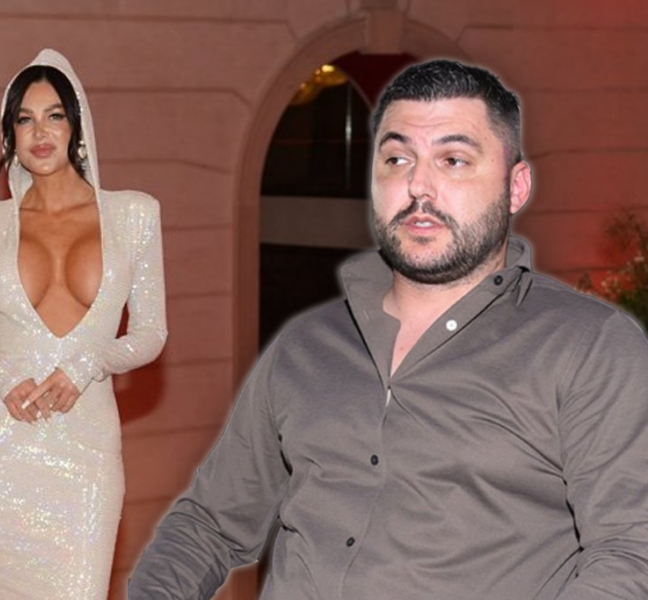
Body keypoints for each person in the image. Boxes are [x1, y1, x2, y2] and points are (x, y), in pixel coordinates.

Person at [128, 60, 648, 599]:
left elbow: (631, 555)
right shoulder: (307, 346)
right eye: (397, 159)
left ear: (515, 187)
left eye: (453, 160)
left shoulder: (589, 346)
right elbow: (207, 525)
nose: (418, 185)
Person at [0, 48, 167, 600]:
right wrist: (3, 373)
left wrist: (88, 364)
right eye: (25, 118)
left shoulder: (134, 215)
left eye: (54, 115)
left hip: (86, 452)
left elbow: (150, 333)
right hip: (0, 448)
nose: (40, 131)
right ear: (10, 136)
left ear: (77, 126)